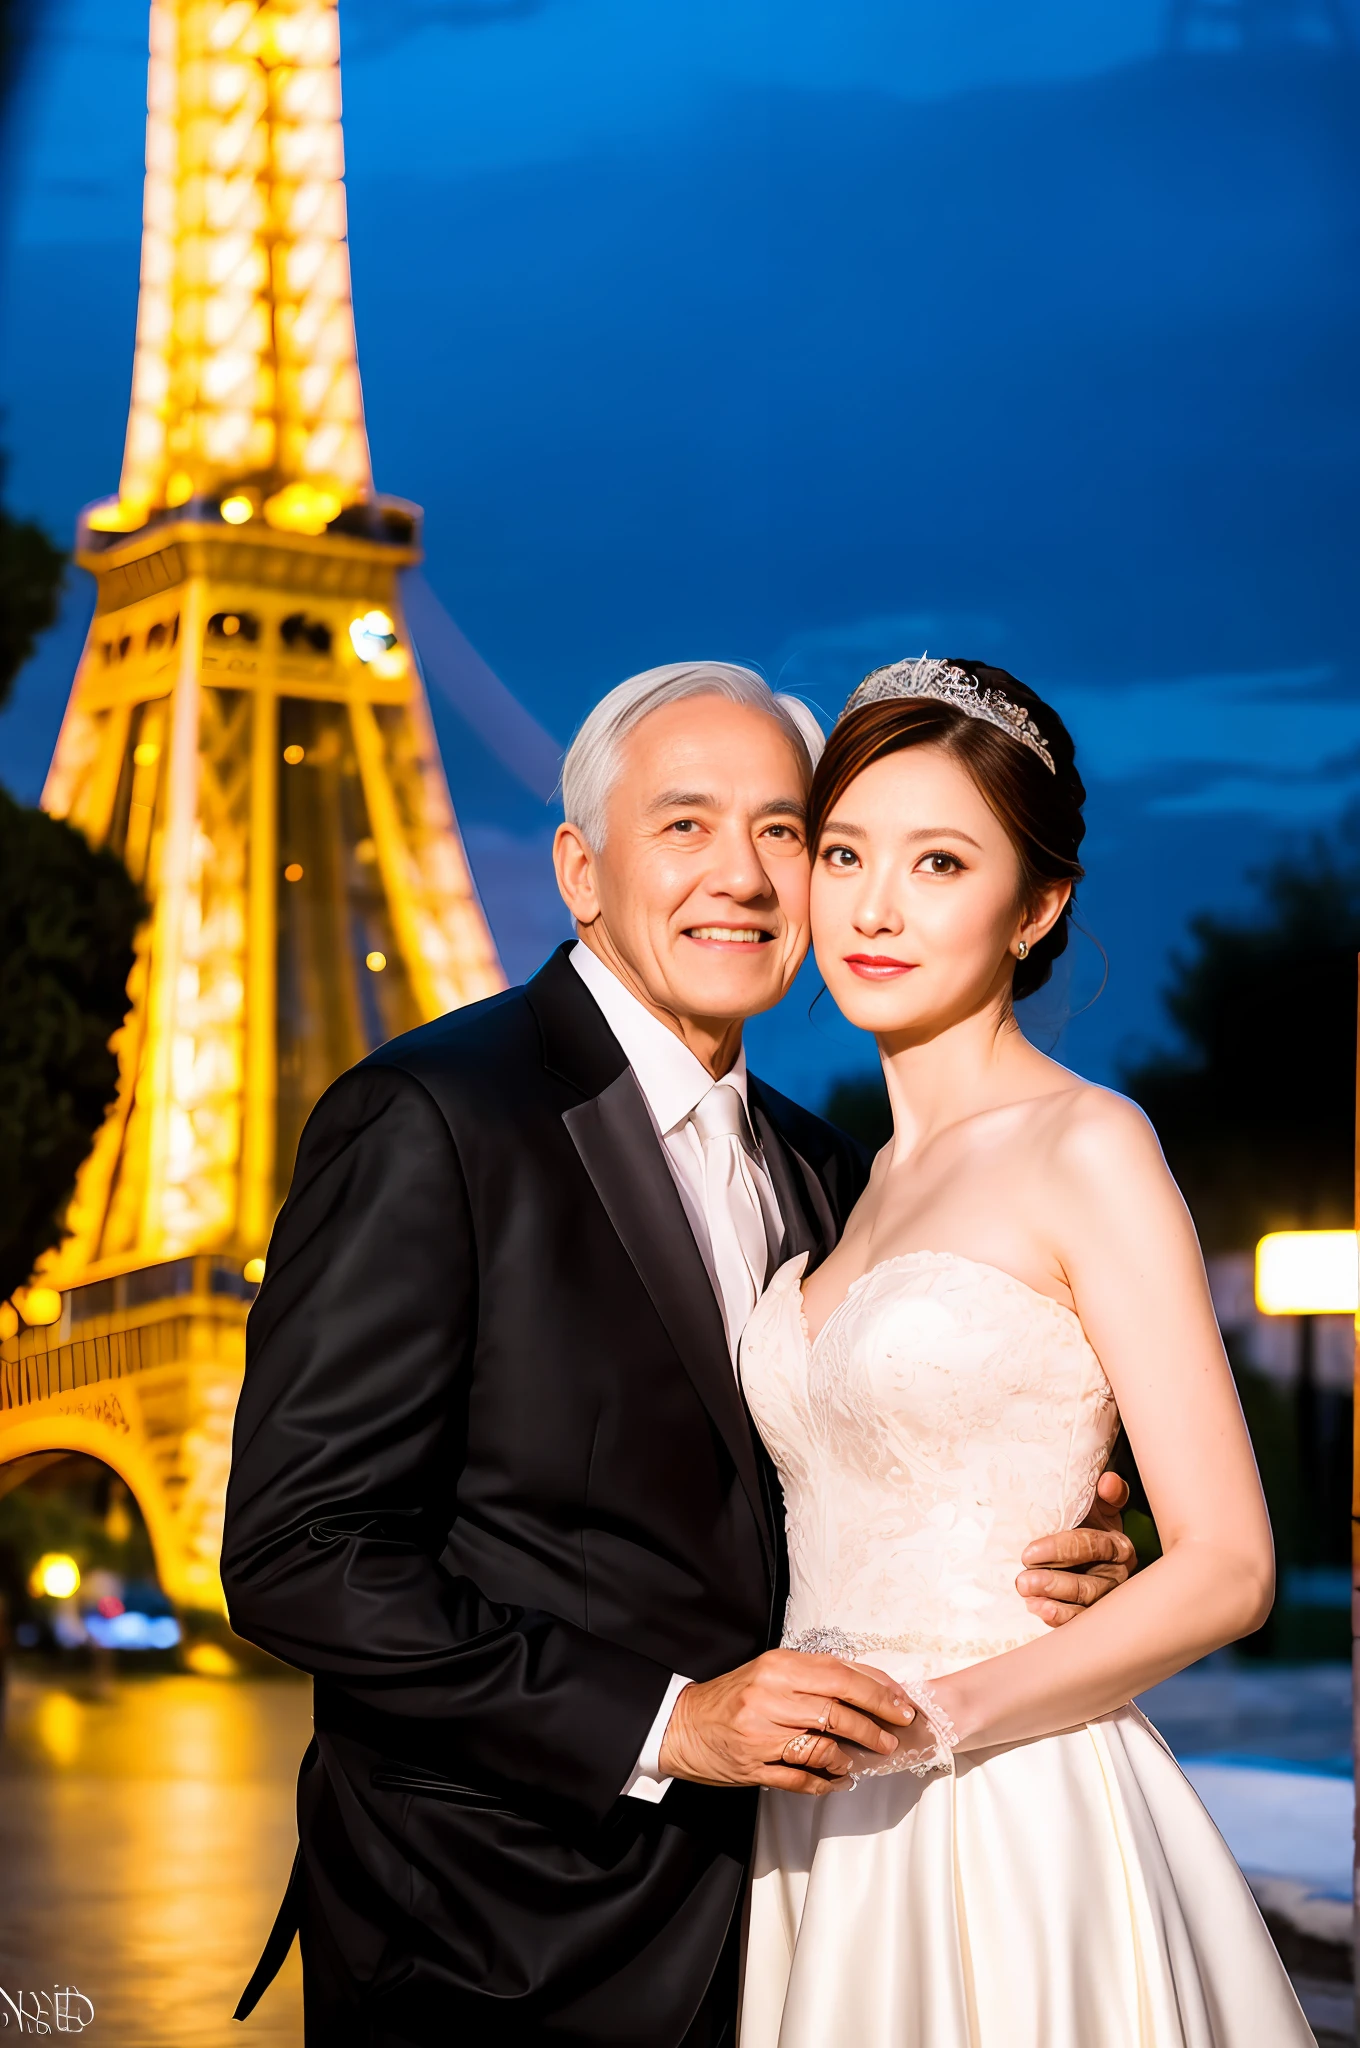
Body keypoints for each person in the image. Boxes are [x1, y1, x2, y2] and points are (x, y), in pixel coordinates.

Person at [221, 663, 1130, 2048]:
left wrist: (1056, 1539)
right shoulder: (434, 1121)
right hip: (500, 1934)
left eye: (784, 832)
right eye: (686, 826)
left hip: (796, 1908)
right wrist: (669, 1725)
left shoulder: (830, 1172)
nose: (747, 878)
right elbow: (302, 1552)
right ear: (580, 872)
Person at [736, 657, 1311, 2048]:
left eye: (940, 862)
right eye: (844, 852)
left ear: (1035, 906)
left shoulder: (1088, 1146)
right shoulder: (836, 1186)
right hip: (808, 1812)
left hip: (1002, 1794)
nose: (872, 906)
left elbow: (1231, 1567)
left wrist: (934, 1718)